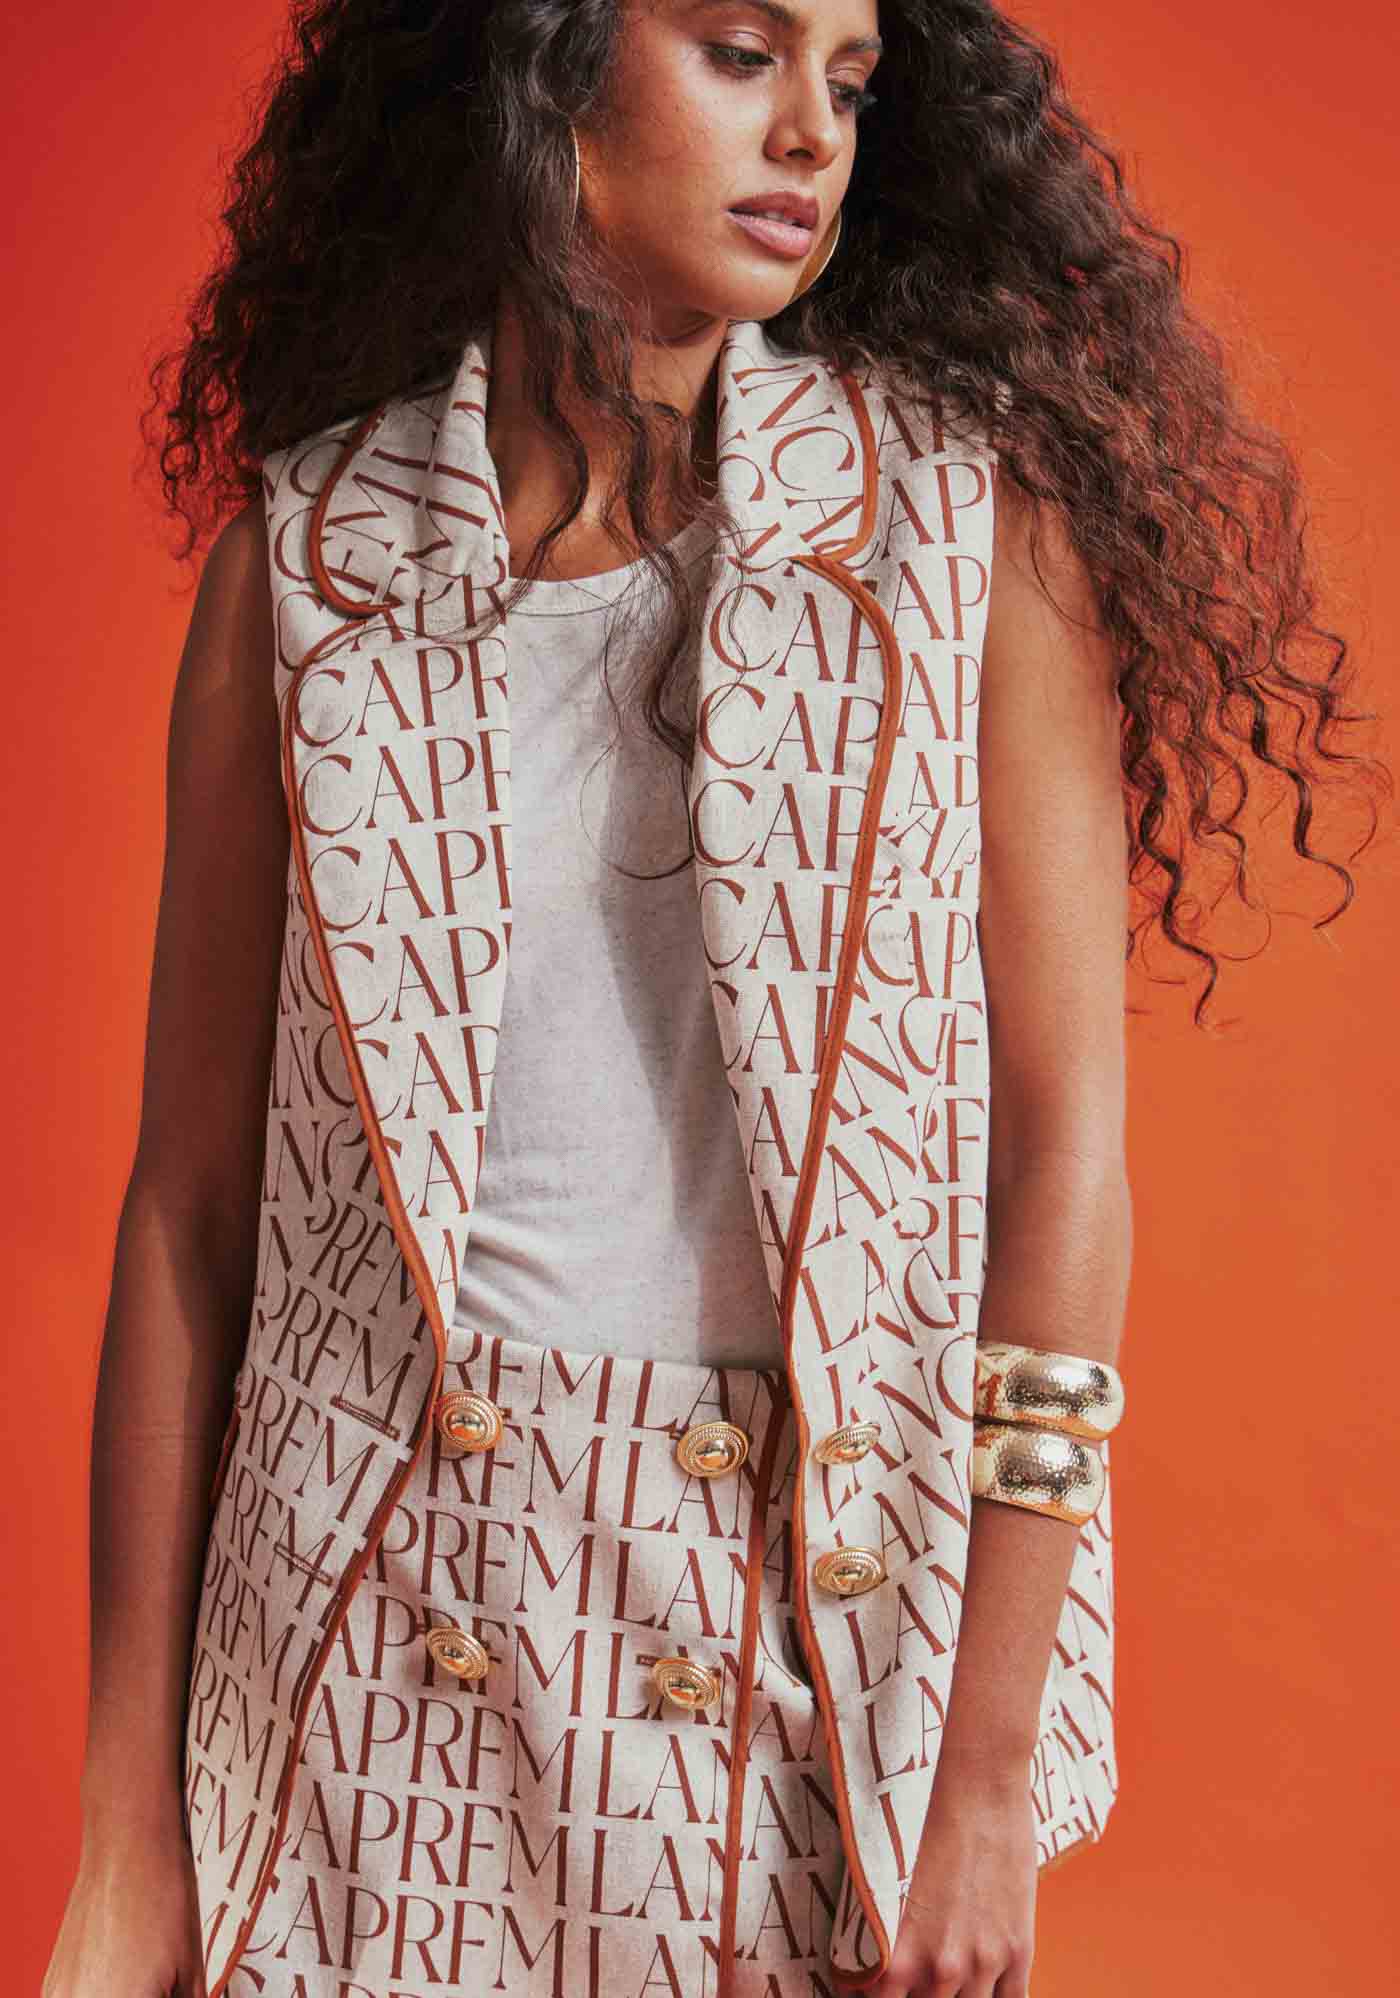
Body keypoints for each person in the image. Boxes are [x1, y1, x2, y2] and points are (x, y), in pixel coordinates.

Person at [44, 3, 1386, 1996]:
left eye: (849, 78)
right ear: (546, 64)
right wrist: (128, 1825)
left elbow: (1063, 1165)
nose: (813, 135)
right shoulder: (307, 565)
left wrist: (983, 1778)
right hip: (354, 1669)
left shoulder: (959, 541)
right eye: (743, 51)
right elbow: (186, 1212)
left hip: (790, 1647)